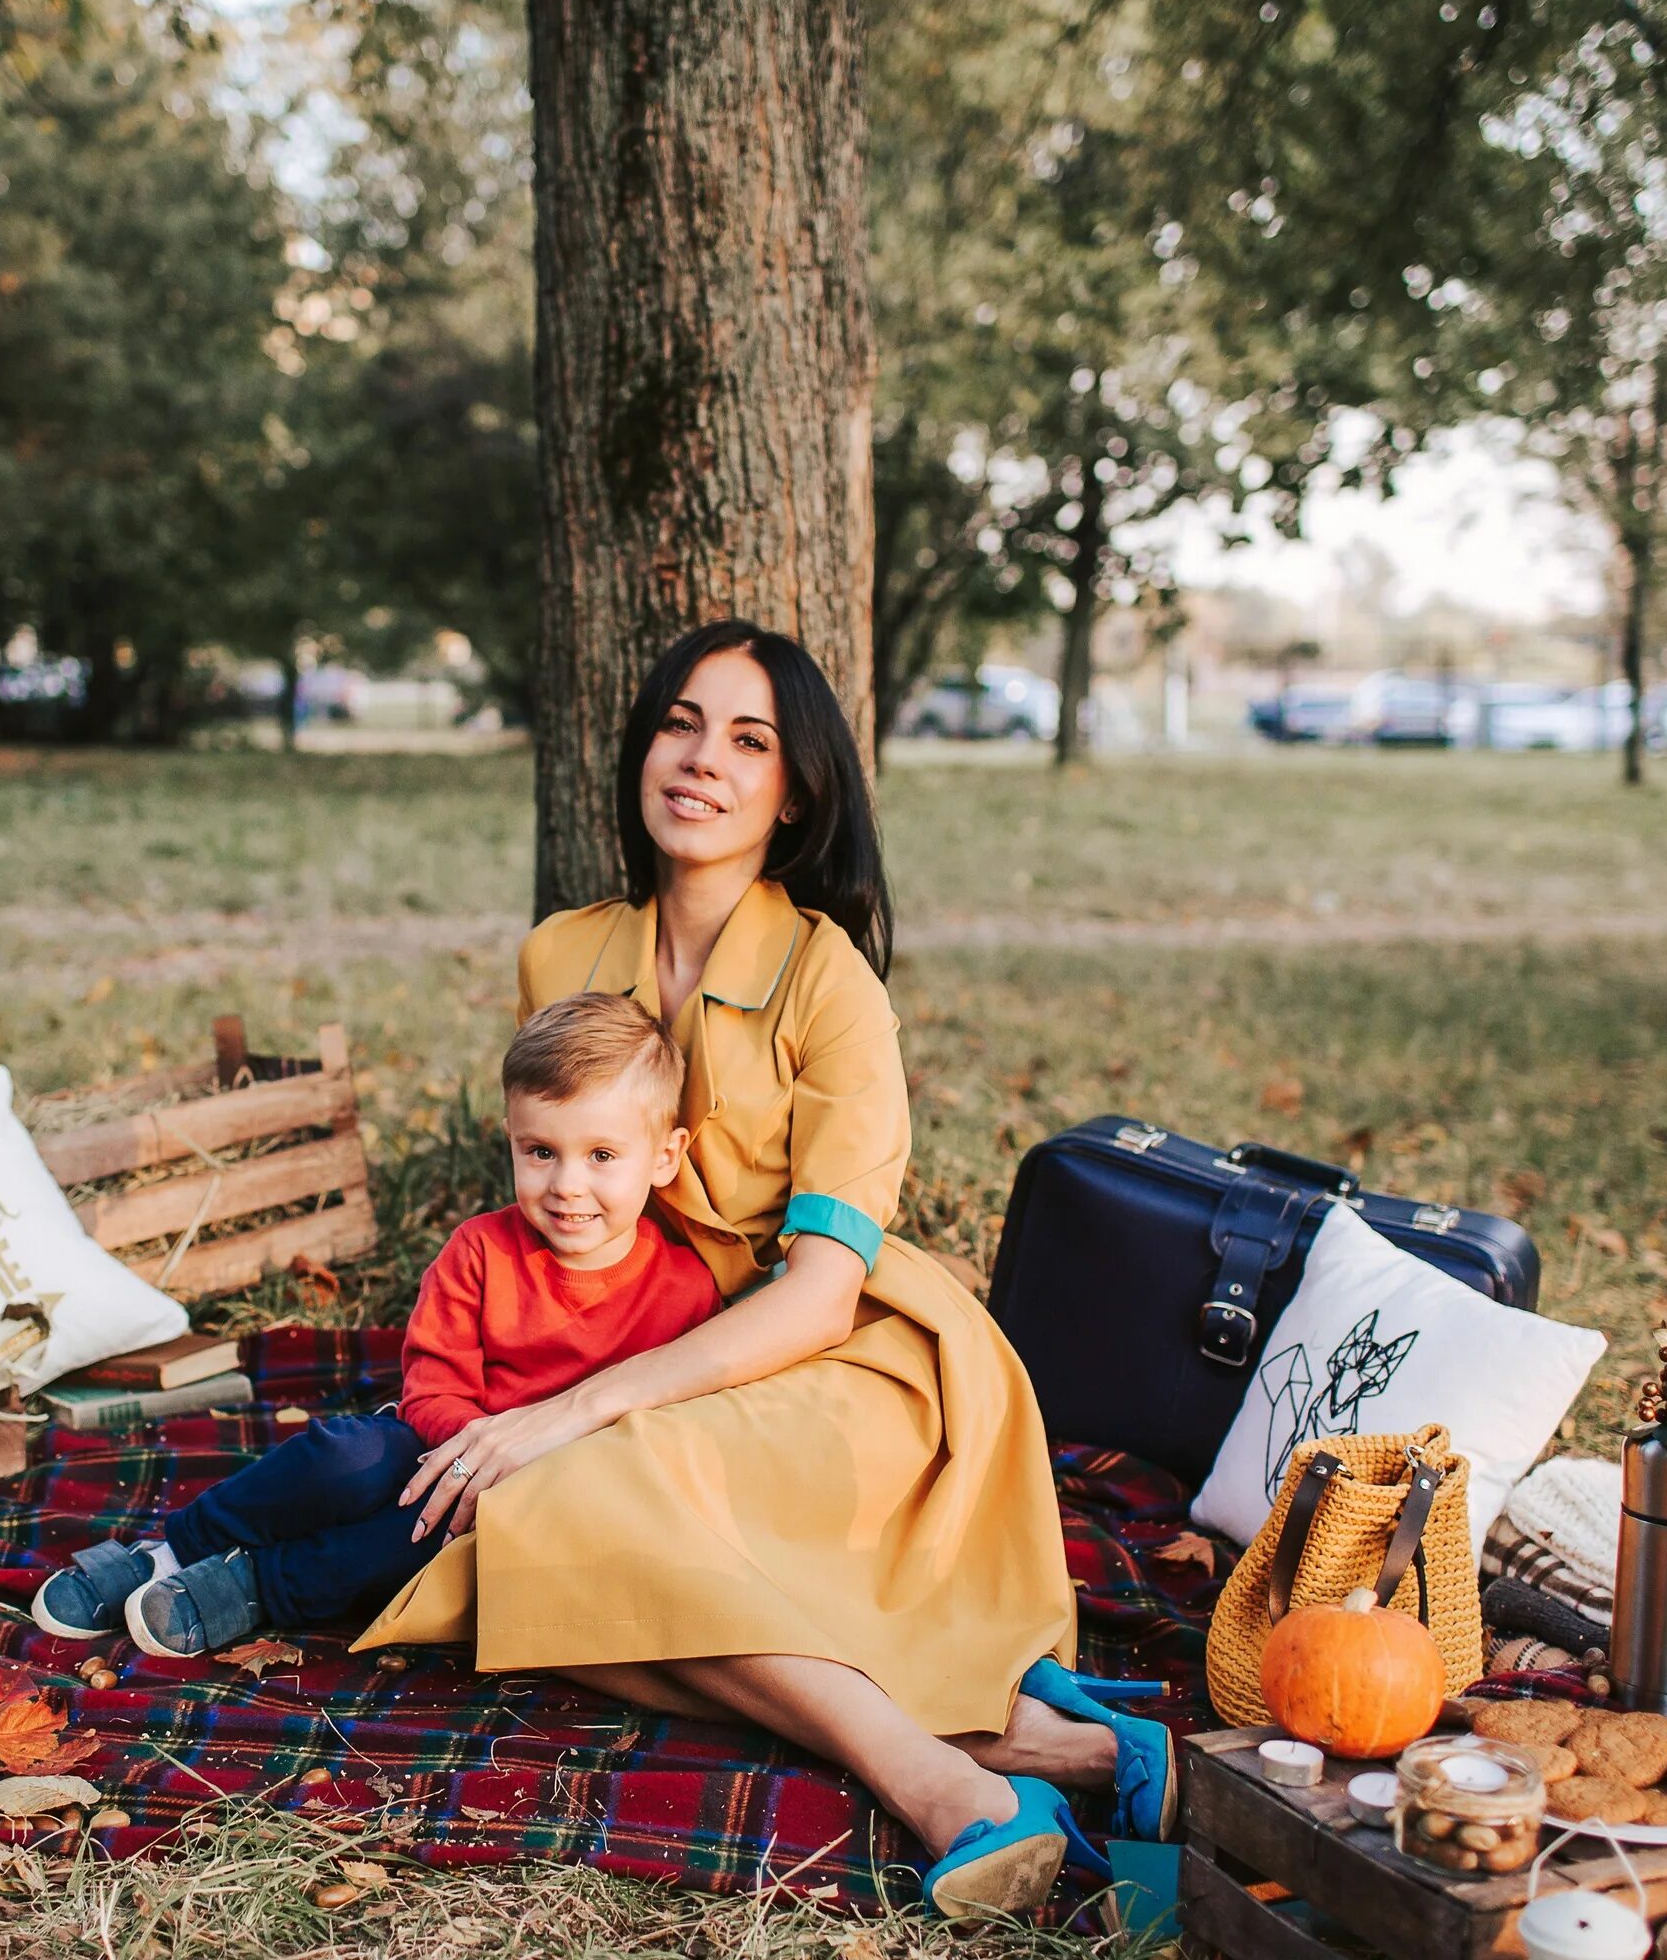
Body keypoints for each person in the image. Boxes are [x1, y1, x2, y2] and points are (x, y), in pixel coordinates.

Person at [352, 620, 1175, 1920]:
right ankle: (1048, 1747)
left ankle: (945, 1787)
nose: (701, 760)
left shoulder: (834, 985)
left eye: (750, 741)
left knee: (558, 1506)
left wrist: (569, 1407)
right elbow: (580, 1195)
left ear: (793, 795)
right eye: (681, 722)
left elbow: (819, 1291)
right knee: (530, 1522)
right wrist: (557, 1374)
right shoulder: (560, 955)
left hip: (848, 1352)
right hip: (648, 1338)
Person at [31, 992, 722, 1657]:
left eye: (602, 1156)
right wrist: (475, 1453)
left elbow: (676, 1428)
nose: (567, 1183)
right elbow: (432, 1390)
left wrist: (521, 1477)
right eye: (541, 1151)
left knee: (404, 1543)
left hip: (533, 1507)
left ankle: (257, 1586)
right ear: (511, 1140)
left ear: (664, 1156)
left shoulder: (688, 1294)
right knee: (348, 1459)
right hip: (435, 1449)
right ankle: (176, 1545)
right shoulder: (480, 1251)